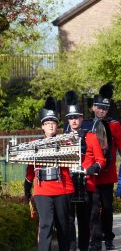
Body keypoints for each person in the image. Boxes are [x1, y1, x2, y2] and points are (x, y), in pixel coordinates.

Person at [23, 96, 74, 251]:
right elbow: (30, 170)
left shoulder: (66, 142)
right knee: (45, 225)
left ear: (56, 126)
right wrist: (27, 187)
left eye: (53, 123)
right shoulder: (34, 145)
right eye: (47, 123)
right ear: (43, 127)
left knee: (63, 225)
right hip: (42, 190)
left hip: (62, 188)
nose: (51, 126)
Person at [63, 91, 106, 251]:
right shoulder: (63, 138)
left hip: (87, 183)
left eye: (77, 117)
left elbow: (101, 160)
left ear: (82, 118)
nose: (74, 121)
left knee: (84, 220)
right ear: (68, 120)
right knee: (69, 220)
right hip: (69, 185)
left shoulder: (91, 136)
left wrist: (92, 168)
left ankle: (84, 247)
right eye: (71, 118)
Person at [89, 82, 121, 251]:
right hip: (92, 173)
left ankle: (108, 237)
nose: (102, 111)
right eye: (99, 107)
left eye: (105, 108)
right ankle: (96, 239)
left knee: (108, 207)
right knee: (94, 209)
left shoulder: (114, 124)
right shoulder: (87, 124)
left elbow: (120, 142)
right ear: (93, 107)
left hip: (108, 172)